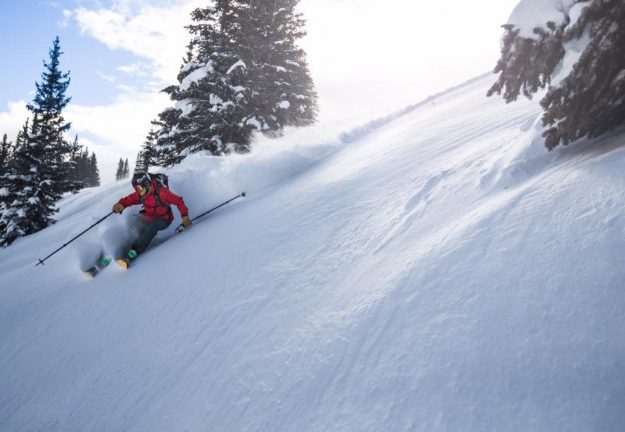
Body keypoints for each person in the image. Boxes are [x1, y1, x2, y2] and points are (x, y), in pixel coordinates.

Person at [112, 172, 191, 268]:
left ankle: (134, 251)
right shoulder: (142, 194)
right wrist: (121, 205)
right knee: (134, 224)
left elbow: (178, 201)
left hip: (164, 219)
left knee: (152, 227)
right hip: (149, 216)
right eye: (136, 189)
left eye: (139, 188)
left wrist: (185, 216)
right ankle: (123, 246)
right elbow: (129, 199)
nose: (138, 191)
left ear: (146, 183)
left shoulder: (162, 193)